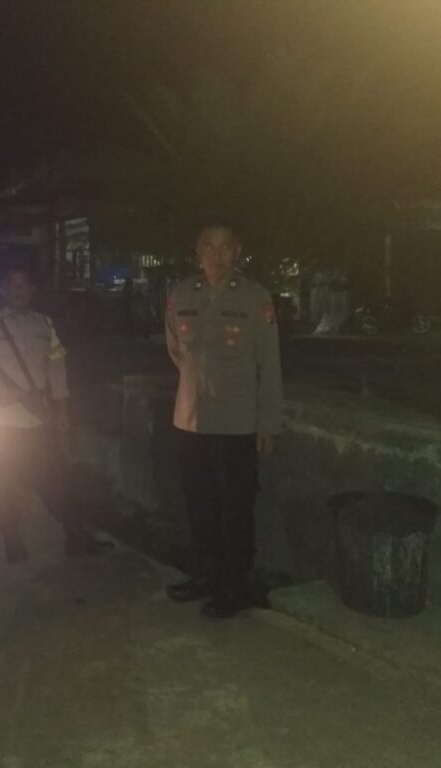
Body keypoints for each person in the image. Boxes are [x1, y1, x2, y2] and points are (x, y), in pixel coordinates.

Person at [164, 220, 284, 618]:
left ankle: (235, 585)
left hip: (237, 422)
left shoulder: (255, 298)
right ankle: (205, 574)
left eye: (225, 247)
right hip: (190, 420)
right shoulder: (181, 294)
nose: (217, 255)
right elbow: (177, 351)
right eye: (209, 247)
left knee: (235, 508)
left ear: (237, 251)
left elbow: (269, 364)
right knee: (199, 504)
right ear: (198, 252)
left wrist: (268, 423)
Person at [0, 265, 114, 562]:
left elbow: (57, 366)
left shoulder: (44, 324)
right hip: (3, 424)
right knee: (3, 486)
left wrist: (62, 409)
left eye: (25, 285)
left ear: (33, 290)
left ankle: (75, 535)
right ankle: (12, 540)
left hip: (39, 419)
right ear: (2, 290)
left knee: (57, 480)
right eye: (13, 284)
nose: (19, 291)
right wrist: (14, 394)